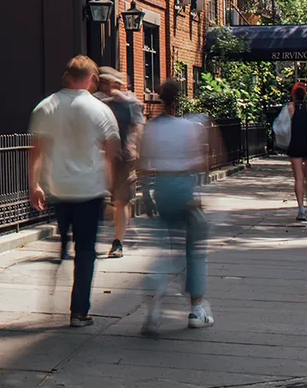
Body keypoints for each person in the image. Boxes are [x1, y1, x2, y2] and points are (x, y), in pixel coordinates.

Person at [29, 55, 121, 327]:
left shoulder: (46, 107)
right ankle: (79, 311)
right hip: (90, 190)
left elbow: (36, 151)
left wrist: (34, 184)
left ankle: (55, 278)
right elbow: (112, 154)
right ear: (92, 79)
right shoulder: (101, 110)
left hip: (59, 188)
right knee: (86, 251)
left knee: (64, 242)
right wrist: (113, 189)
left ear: (67, 76)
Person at [140, 80, 214, 334]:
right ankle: (197, 309)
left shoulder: (150, 129)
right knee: (194, 250)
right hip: (184, 188)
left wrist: (147, 197)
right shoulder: (188, 127)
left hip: (161, 188)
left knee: (164, 248)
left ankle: (156, 304)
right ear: (179, 99)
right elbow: (199, 163)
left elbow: (142, 165)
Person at [95, 67, 145, 259]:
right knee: (103, 202)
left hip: (123, 160)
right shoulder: (97, 102)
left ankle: (118, 242)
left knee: (122, 201)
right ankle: (118, 225)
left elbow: (138, 127)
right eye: (107, 83)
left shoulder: (129, 104)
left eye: (115, 84)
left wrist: (134, 148)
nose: (111, 87)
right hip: (99, 158)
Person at [281, 82, 307, 222]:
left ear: (293, 94)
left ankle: (301, 209)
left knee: (298, 178)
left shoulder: (289, 108)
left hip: (295, 144)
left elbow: (282, 126)